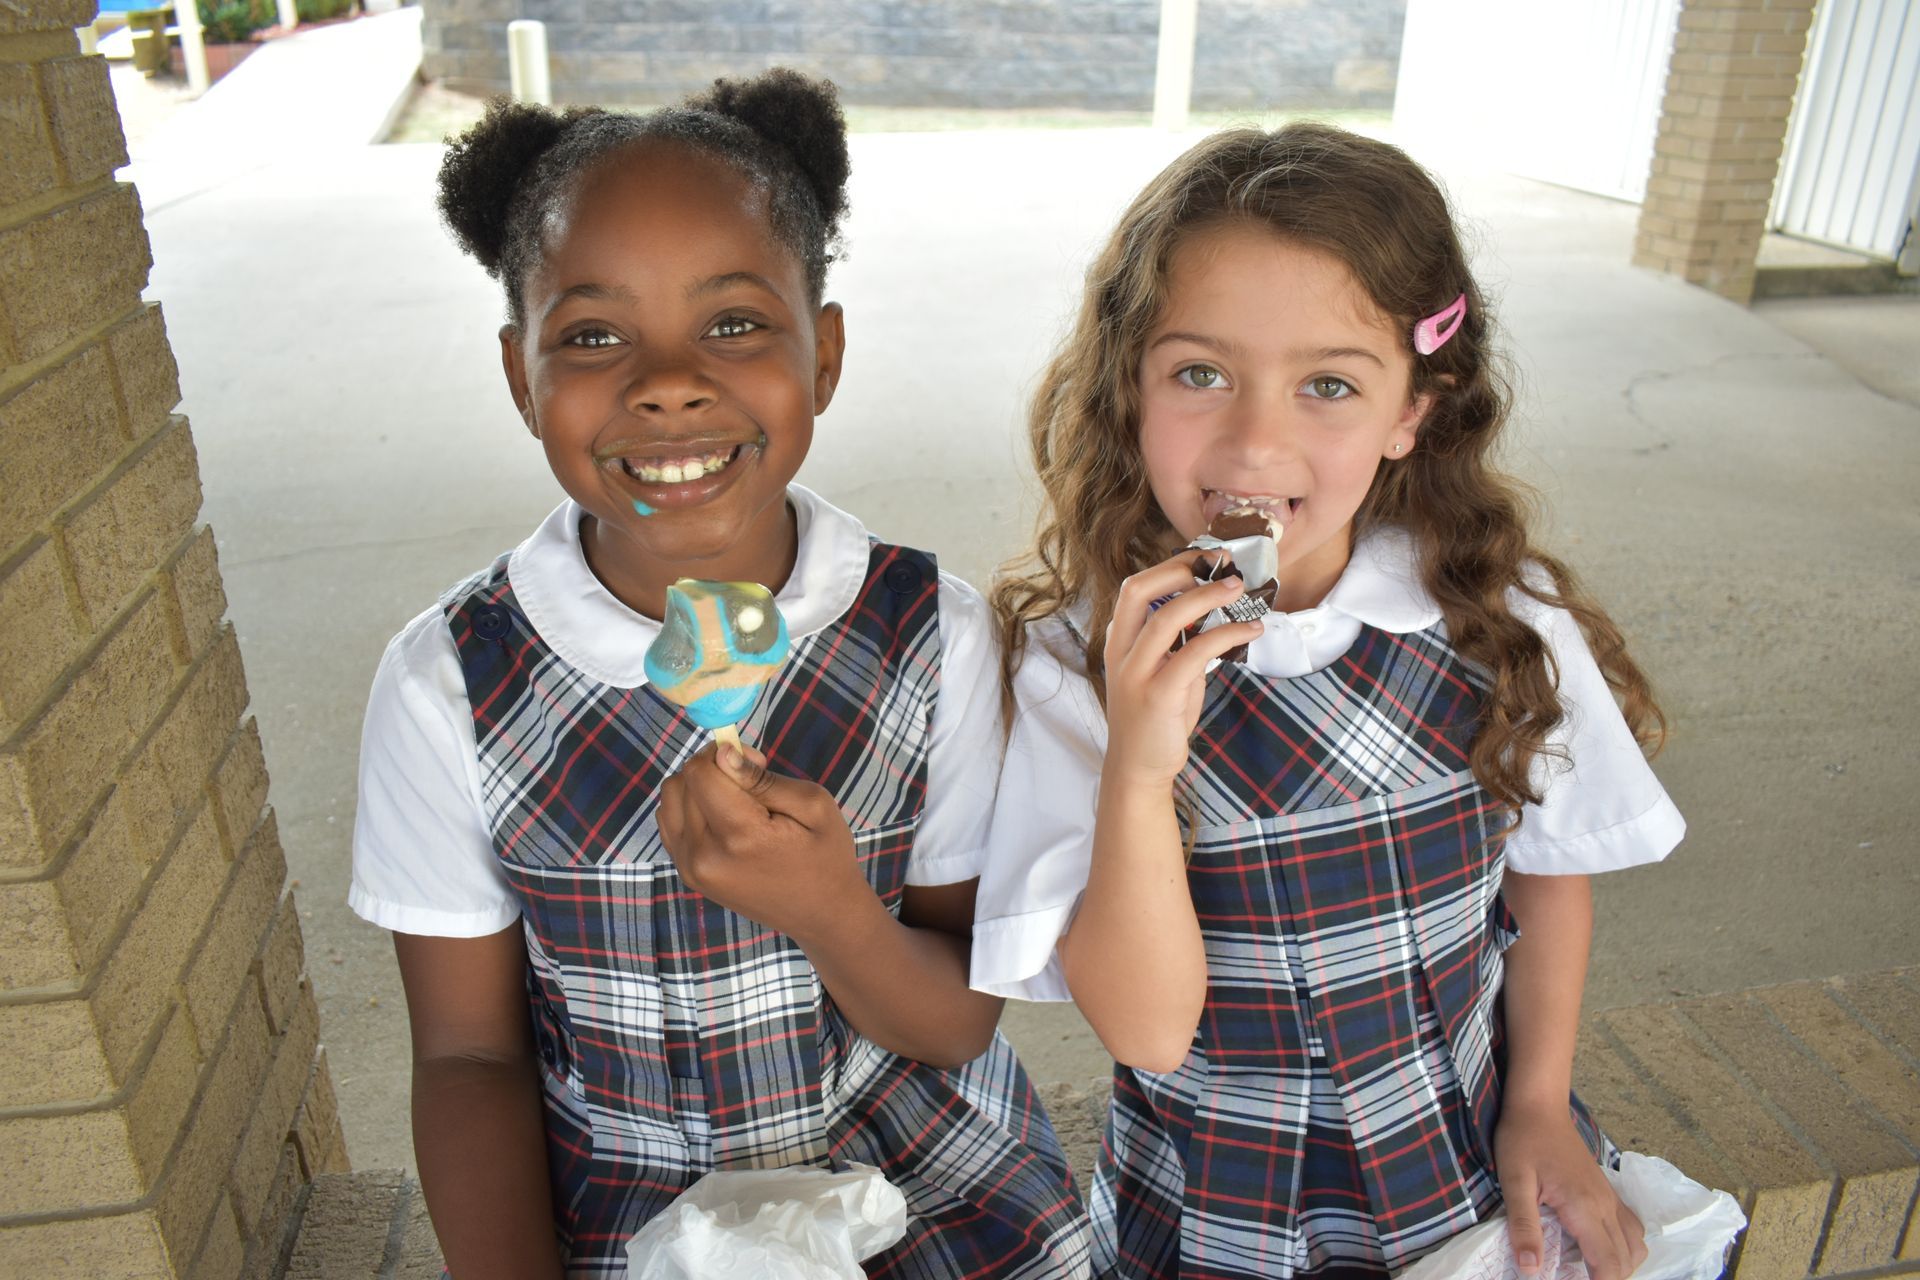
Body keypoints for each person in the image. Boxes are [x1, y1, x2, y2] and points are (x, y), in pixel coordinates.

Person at [349, 71, 1089, 1279]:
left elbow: (956, 1019)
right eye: (592, 335)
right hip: (643, 1222)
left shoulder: (933, 639)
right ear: (517, 372)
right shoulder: (452, 683)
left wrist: (831, 907)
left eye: (734, 323)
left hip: (927, 1199)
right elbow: (468, 1057)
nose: (669, 379)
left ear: (826, 351)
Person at [972, 123, 1683, 1280]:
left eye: (1330, 385)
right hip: (1212, 1216)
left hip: (1461, 1169)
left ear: (1415, 409)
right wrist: (1142, 761)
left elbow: (1551, 868)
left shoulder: (1502, 616)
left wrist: (1541, 1101)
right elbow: (1148, 1030)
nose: (1257, 441)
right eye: (1201, 373)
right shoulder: (1070, 666)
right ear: (1131, 383)